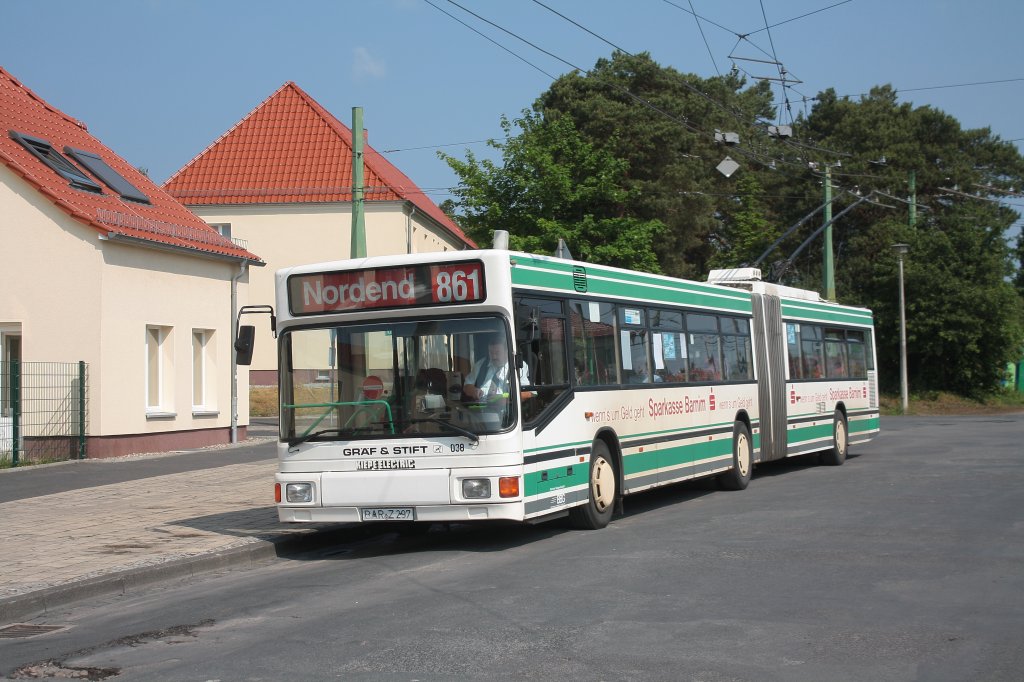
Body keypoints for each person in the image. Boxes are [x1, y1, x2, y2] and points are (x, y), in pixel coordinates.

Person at [463, 333, 533, 402]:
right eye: (491, 352)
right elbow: (466, 385)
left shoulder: (518, 365)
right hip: (481, 409)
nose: (494, 357)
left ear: (507, 351)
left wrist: (505, 398)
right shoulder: (481, 364)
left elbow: (528, 393)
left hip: (508, 410)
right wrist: (474, 391)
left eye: (497, 353)